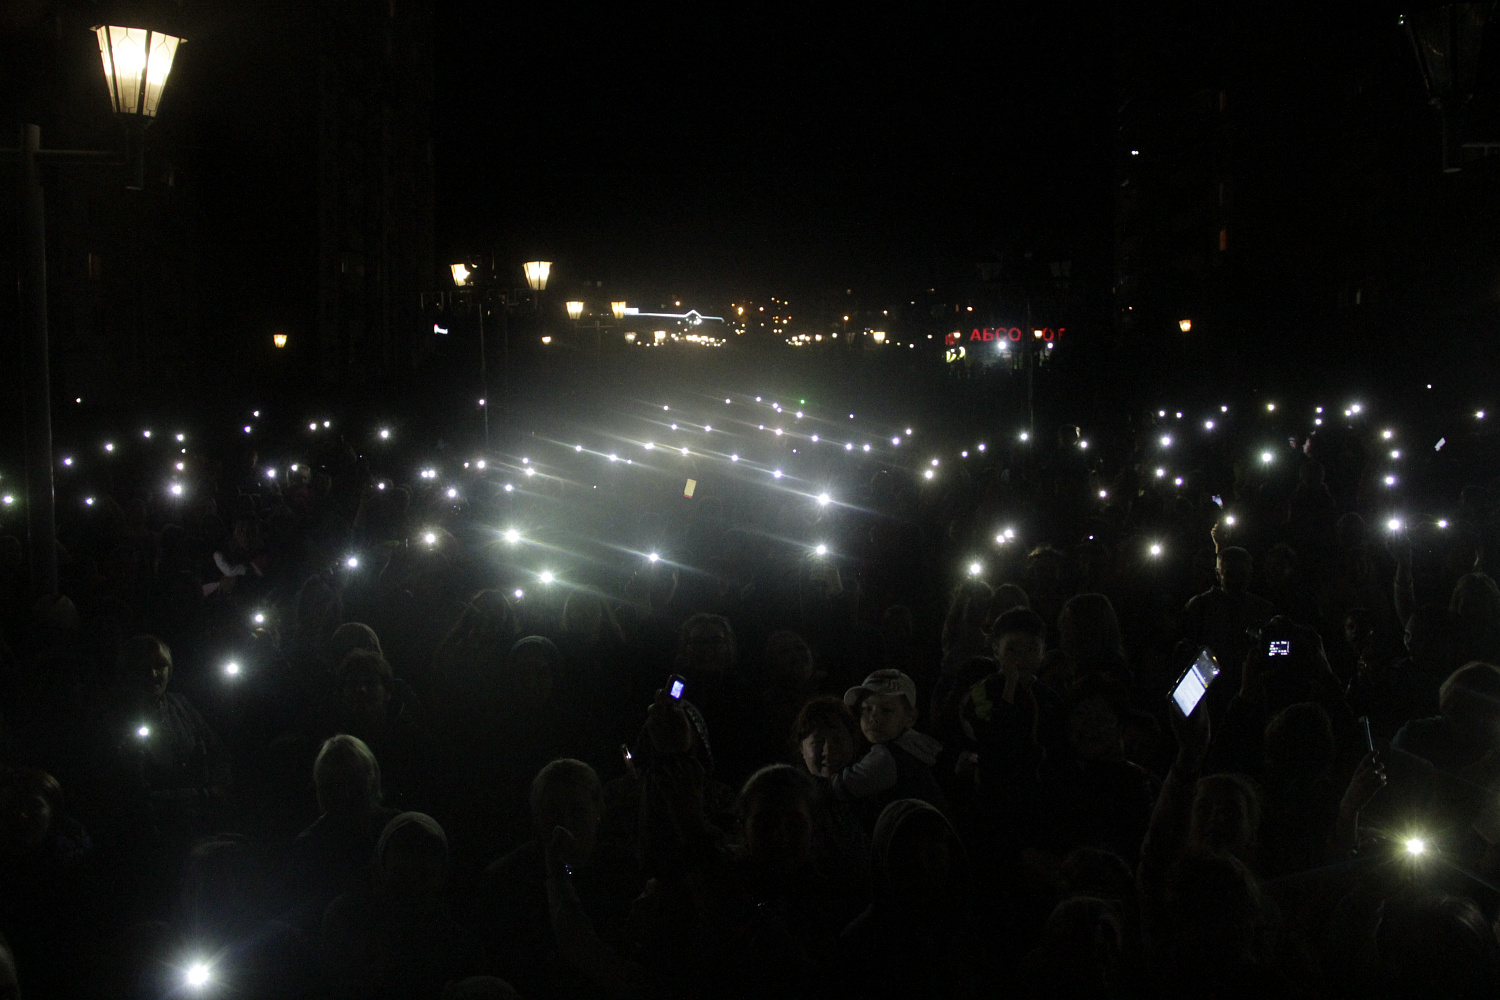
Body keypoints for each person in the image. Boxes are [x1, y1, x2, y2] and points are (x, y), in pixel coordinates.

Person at [283, 735, 397, 931]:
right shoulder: (309, 846)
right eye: (335, 785)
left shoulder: (395, 830)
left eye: (353, 781)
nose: (346, 794)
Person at [831, 669, 946, 824]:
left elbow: (842, 788)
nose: (873, 717)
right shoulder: (919, 746)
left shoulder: (887, 757)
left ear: (910, 717)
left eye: (886, 710)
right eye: (867, 709)